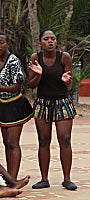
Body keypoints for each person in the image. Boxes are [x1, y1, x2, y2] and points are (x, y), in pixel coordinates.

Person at [28, 29, 77, 190]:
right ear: (40, 42)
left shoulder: (64, 57)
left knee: (65, 139)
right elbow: (31, 85)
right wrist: (39, 74)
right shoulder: (36, 58)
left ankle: (67, 178)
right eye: (46, 39)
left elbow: (69, 83)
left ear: (56, 42)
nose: (50, 42)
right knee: (43, 140)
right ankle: (44, 179)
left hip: (62, 102)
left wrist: (65, 80)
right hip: (43, 103)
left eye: (53, 39)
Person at [0, 32, 33, 180]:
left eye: (1, 42)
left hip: (14, 105)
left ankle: (13, 179)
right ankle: (10, 178)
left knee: (13, 143)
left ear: (7, 44)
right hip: (2, 106)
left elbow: (17, 86)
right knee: (6, 143)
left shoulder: (13, 61)